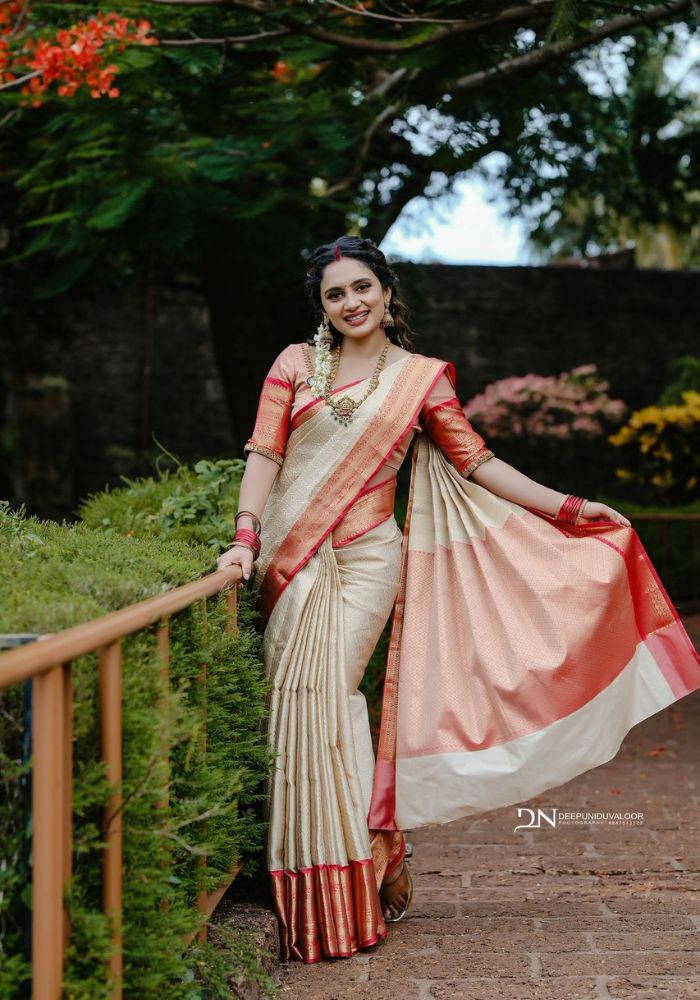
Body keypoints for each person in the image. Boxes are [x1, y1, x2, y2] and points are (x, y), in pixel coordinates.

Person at [216, 236, 700, 965]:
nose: (351, 303)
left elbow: (477, 463)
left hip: (369, 557)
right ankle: (368, 849)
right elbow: (266, 455)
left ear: (386, 291)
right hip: (292, 556)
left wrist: (569, 509)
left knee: (327, 695)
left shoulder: (419, 378)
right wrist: (245, 538)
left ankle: (350, 868)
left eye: (361, 288)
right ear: (322, 307)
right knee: (298, 705)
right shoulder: (293, 364)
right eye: (334, 295)